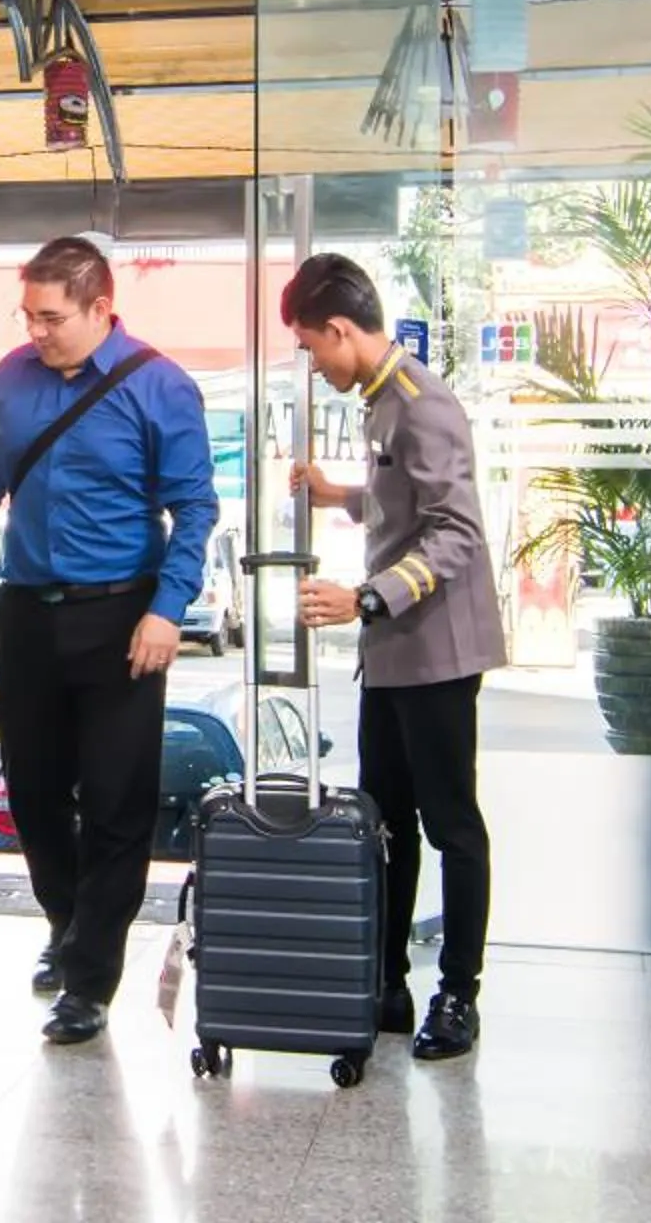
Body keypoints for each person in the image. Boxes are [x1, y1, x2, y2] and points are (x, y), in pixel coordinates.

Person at [0, 235, 217, 1046]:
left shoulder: (160, 387)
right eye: (27, 316)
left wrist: (168, 609)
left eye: (52, 317)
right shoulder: (12, 377)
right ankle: (67, 926)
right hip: (26, 608)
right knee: (29, 791)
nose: (36, 331)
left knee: (116, 800)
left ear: (101, 308)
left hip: (123, 616)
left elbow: (195, 510)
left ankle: (91, 980)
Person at [284, 254, 505, 1062]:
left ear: (342, 330)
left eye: (314, 348)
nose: (315, 363)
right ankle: (386, 983)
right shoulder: (384, 401)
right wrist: (337, 494)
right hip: (394, 653)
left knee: (451, 824)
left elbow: (455, 532)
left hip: (438, 650)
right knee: (386, 824)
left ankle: (458, 993)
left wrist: (366, 599)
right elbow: (399, 499)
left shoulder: (421, 404)